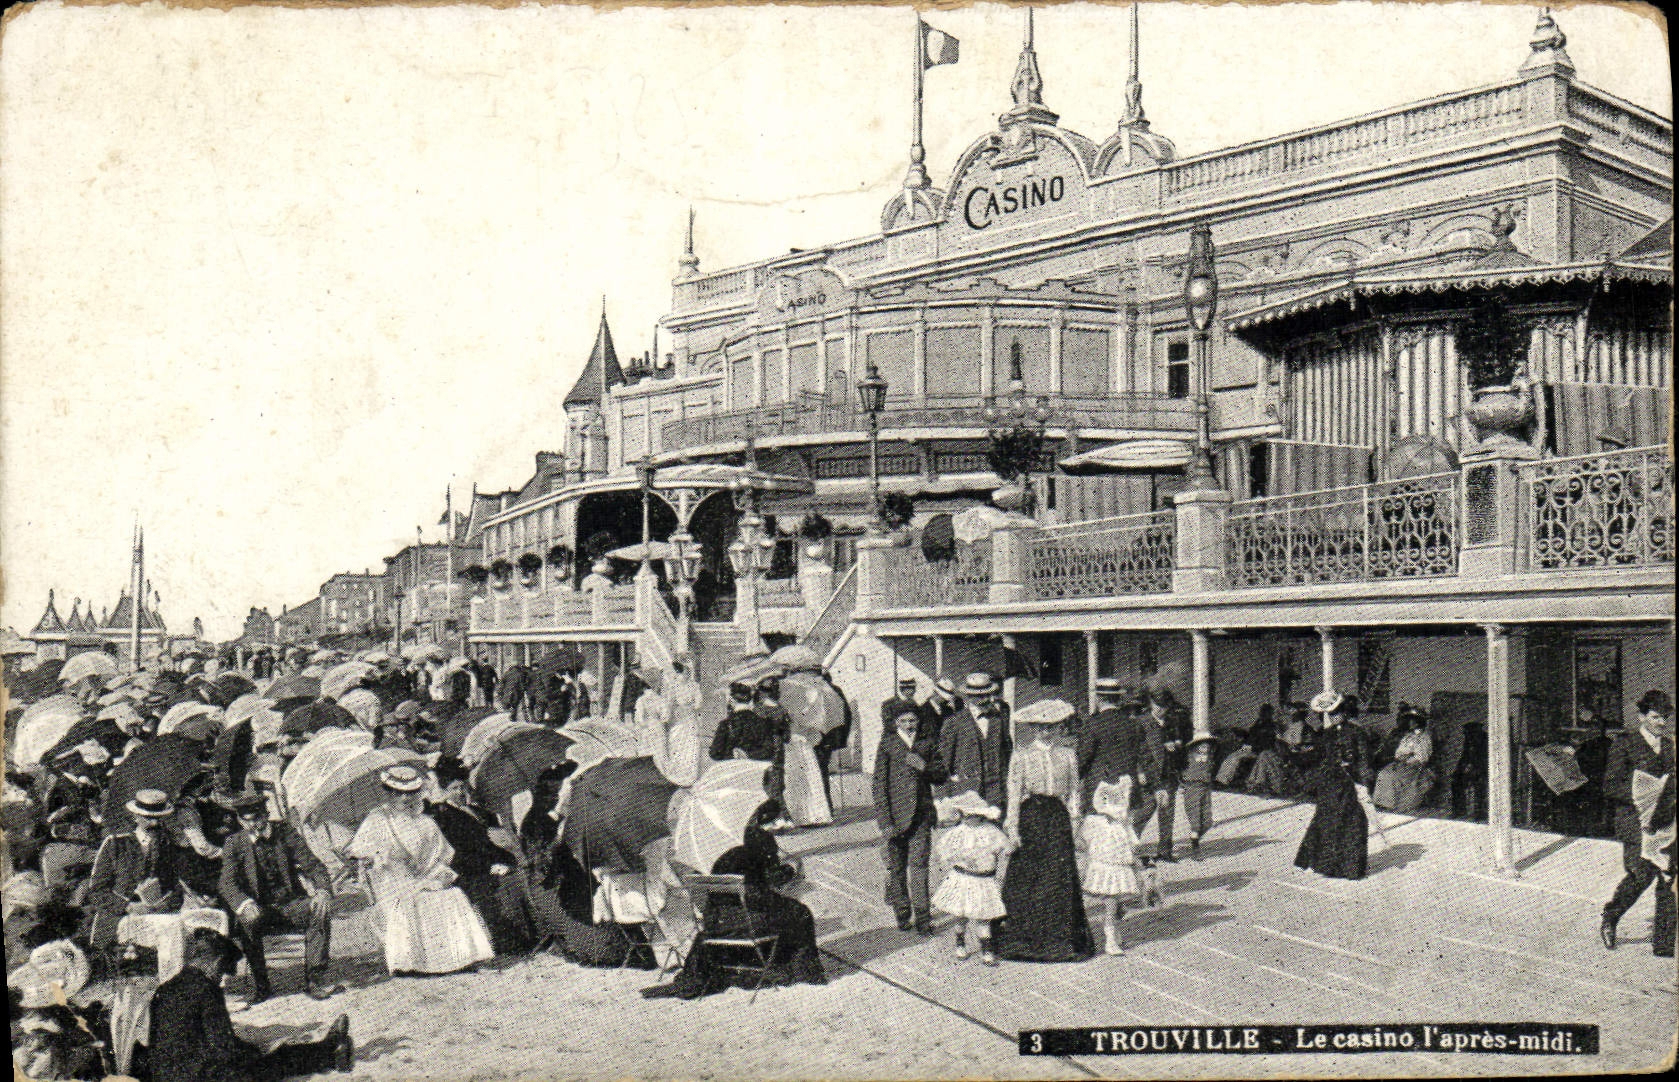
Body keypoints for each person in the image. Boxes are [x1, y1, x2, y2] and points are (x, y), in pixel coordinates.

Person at [640, 803, 825, 999]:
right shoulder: (758, 840)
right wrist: (791, 868)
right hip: (748, 921)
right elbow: (772, 882)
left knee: (784, 910)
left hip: (716, 922)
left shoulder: (713, 843)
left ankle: (768, 962)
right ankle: (798, 970)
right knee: (800, 912)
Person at [345, 764, 494, 977]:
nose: (405, 798)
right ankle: (411, 962)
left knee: (452, 895)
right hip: (393, 881)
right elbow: (360, 851)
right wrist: (380, 856)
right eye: (398, 793)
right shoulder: (377, 819)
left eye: (410, 793)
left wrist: (435, 876)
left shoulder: (425, 822)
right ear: (389, 793)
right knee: (410, 900)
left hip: (424, 877)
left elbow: (442, 855)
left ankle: (458, 957)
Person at [148, 928, 352, 1082]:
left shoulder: (165, 989)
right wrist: (253, 1051)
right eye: (221, 972)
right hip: (200, 1077)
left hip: (164, 1075)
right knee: (274, 1060)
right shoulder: (206, 990)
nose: (220, 979)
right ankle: (331, 1052)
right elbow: (224, 1049)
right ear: (216, 962)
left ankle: (329, 1050)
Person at [218, 790, 341, 1002]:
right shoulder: (234, 843)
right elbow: (226, 882)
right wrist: (244, 903)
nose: (253, 825)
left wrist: (322, 890)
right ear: (240, 820)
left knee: (319, 910)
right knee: (246, 921)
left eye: (257, 818)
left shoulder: (285, 832)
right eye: (247, 821)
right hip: (259, 909)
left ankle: (314, 979)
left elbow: (314, 866)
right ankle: (261, 985)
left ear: (266, 815)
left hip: (291, 903)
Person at [997, 699, 1093, 963]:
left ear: (1059, 727)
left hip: (1057, 817)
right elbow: (1014, 793)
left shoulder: (1068, 754)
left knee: (1057, 876)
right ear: (1032, 728)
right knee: (1030, 877)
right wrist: (1013, 828)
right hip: (1031, 817)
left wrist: (1075, 823)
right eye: (1040, 727)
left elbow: (1074, 792)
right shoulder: (1022, 755)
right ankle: (1025, 940)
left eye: (1050, 726)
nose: (1045, 731)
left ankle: (1059, 939)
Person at [427, 759, 534, 955]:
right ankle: (510, 941)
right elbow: (455, 853)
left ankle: (531, 931)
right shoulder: (444, 816)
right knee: (493, 891)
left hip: (492, 861)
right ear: (445, 791)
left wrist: (508, 858)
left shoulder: (476, 810)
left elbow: (494, 839)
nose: (460, 792)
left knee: (524, 875)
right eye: (454, 788)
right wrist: (488, 866)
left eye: (463, 787)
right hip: (470, 870)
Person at [1600, 689, 1675, 957]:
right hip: (1634, 821)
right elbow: (1610, 786)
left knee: (1669, 877)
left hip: (1666, 821)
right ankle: (1611, 915)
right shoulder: (1625, 744)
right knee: (1641, 874)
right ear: (1642, 716)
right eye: (1655, 717)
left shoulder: (1669, 746)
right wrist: (1644, 794)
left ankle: (1664, 945)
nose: (1661, 722)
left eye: (1665, 717)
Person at [85, 789, 189, 962]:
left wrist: (162, 905)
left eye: (159, 818)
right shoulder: (116, 843)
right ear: (135, 817)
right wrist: (128, 906)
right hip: (119, 918)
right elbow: (96, 891)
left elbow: (174, 888)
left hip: (156, 915)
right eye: (149, 818)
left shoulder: (167, 845)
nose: (155, 823)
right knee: (172, 928)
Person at [872, 706, 945, 934]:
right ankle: (902, 914)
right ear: (896, 723)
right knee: (897, 869)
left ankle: (923, 918)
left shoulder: (927, 743)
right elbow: (879, 785)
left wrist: (925, 767)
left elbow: (941, 775)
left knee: (920, 866)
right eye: (903, 721)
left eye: (912, 720)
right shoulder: (887, 744)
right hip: (895, 818)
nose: (909, 725)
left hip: (921, 816)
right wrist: (885, 822)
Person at [1292, 691, 1370, 881]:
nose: (1333, 717)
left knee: (1351, 822)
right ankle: (1326, 865)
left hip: (1349, 783)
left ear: (1344, 712)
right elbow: (1320, 756)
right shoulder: (1326, 734)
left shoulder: (1357, 732)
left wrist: (1364, 782)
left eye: (1336, 713)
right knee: (1327, 821)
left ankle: (1349, 868)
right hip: (1329, 783)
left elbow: (1364, 760)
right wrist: (1299, 755)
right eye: (1330, 714)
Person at [930, 791, 1010, 965]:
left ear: (981, 816)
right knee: (961, 915)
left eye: (971, 815)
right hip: (964, 878)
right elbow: (944, 850)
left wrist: (1001, 861)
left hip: (984, 880)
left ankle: (986, 950)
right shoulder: (959, 832)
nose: (967, 819)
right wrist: (960, 858)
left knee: (983, 916)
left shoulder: (991, 831)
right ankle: (960, 943)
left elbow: (1005, 848)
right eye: (964, 815)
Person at [1081, 776, 1141, 956]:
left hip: (1120, 867)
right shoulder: (1094, 821)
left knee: (1116, 904)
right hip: (1103, 867)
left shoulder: (1123, 823)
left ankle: (1114, 932)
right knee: (1111, 902)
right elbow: (1082, 841)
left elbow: (1132, 844)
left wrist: (1134, 861)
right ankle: (1110, 938)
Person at [710, 680, 787, 816]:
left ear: (731, 700)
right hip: (758, 775)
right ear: (750, 700)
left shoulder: (726, 724)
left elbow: (715, 753)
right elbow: (770, 750)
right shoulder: (763, 722)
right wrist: (750, 755)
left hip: (735, 776)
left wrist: (733, 754)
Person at [938, 673, 1011, 811]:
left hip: (995, 793)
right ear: (969, 696)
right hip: (966, 792)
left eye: (987, 694)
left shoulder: (998, 720)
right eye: (979, 696)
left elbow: (1007, 755)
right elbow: (943, 762)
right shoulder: (954, 722)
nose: (985, 699)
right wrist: (943, 797)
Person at [1135, 688, 1191, 861]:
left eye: (1164, 706)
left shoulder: (1173, 721)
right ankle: (1128, 847)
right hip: (1149, 774)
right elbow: (1134, 750)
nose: (1160, 709)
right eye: (1157, 705)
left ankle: (1165, 851)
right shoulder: (1141, 722)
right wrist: (1139, 771)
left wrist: (1177, 745)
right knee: (1145, 811)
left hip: (1169, 772)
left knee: (1167, 813)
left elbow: (1184, 743)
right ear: (1151, 703)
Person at [1077, 679, 1149, 812]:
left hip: (1099, 789)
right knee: (1124, 823)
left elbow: (1084, 756)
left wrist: (1075, 780)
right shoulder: (1133, 724)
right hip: (1127, 788)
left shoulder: (1092, 724)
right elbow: (1146, 756)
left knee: (1099, 824)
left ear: (1098, 698)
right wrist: (1157, 786)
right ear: (1118, 698)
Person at [1373, 706, 1435, 813]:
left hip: (1414, 766)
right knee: (1383, 773)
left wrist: (1407, 760)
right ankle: (1382, 804)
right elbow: (1399, 752)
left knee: (1393, 777)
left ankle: (1393, 805)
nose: (1410, 722)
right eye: (1409, 720)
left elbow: (1422, 757)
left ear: (1418, 722)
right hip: (1401, 763)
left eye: (1413, 720)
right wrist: (1400, 758)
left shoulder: (1424, 738)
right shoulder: (1408, 736)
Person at [1180, 735, 1218, 855]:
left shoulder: (1210, 759)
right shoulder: (1188, 757)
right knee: (1195, 817)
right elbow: (1178, 771)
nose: (1205, 748)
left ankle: (1194, 839)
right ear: (1195, 746)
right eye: (1202, 745)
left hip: (1205, 788)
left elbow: (1210, 772)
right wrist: (1181, 785)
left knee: (1207, 820)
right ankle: (1195, 846)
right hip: (1192, 788)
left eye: (1207, 746)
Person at [1452, 720, 1489, 820]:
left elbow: (1484, 759)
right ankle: (1459, 810)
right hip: (1471, 770)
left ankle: (1480, 812)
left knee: (1479, 784)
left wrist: (1474, 768)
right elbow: (1464, 756)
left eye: (1468, 733)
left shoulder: (1485, 740)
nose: (1466, 735)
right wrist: (1459, 770)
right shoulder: (1469, 740)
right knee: (1455, 781)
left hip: (1483, 770)